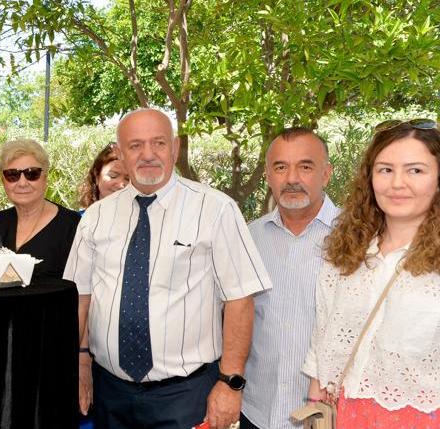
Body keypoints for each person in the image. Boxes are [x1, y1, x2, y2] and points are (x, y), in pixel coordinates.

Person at [65, 109, 271, 429]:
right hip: (111, 395)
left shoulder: (215, 209)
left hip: (187, 396)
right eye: (135, 146)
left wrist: (231, 384)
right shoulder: (95, 218)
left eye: (158, 143)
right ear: (120, 153)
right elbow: (80, 297)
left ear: (175, 147)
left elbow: (240, 300)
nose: (148, 155)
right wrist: (79, 360)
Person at [302, 119, 440, 426]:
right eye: (385, 169)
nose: (397, 183)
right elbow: (323, 331)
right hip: (345, 412)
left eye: (415, 170)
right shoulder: (346, 250)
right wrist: (315, 402)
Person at [240, 128, 338, 429]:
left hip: (328, 416)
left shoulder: (358, 239)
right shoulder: (248, 239)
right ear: (268, 176)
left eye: (305, 166)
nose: (292, 178)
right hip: (256, 411)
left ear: (326, 174)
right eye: (280, 167)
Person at [0, 138, 80, 281]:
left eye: (32, 174)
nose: (22, 183)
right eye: (12, 175)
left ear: (45, 178)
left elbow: (82, 288)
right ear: (3, 180)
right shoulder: (0, 221)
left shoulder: (71, 225)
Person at [77, 143, 130, 209]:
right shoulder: (76, 218)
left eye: (128, 179)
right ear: (97, 176)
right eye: (113, 176)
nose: (121, 184)